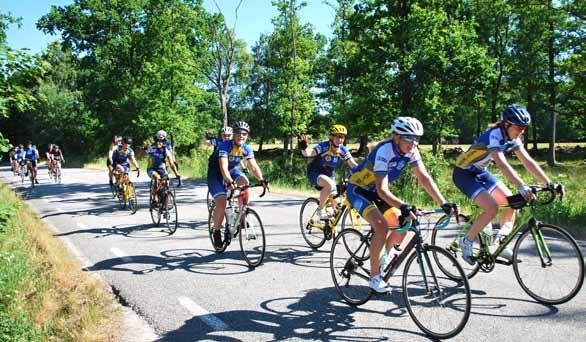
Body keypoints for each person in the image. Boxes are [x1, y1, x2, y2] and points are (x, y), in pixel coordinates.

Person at [346, 117, 455, 293]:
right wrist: (404, 205)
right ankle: (375, 278)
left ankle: (384, 257)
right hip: (359, 190)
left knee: (404, 222)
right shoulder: (385, 151)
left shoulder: (411, 151)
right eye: (410, 138)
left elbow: (424, 178)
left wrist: (443, 202)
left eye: (417, 139)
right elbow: (382, 189)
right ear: (396, 136)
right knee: (381, 225)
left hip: (377, 192)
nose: (414, 143)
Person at [454, 104, 561, 265]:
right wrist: (521, 185)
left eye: (524, 128)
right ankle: (466, 241)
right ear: (507, 124)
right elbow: (502, 164)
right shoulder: (494, 136)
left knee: (511, 204)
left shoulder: (513, 138)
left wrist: (549, 183)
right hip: (463, 173)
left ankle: (499, 244)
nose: (522, 131)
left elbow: (528, 161)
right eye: (519, 127)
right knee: (492, 208)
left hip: (480, 171)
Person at [207, 121, 269, 248]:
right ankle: (217, 231)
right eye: (239, 133)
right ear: (234, 135)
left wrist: (262, 180)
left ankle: (242, 214)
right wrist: (229, 182)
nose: (242, 136)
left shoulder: (246, 148)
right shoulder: (225, 145)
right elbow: (223, 167)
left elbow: (253, 166)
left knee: (245, 182)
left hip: (231, 170)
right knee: (222, 200)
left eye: (244, 134)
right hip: (216, 173)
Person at [299, 125, 358, 220]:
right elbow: (308, 153)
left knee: (338, 207)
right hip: (315, 173)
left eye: (343, 137)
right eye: (338, 136)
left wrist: (364, 171)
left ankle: (330, 228)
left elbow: (353, 165)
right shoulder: (324, 146)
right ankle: (320, 209)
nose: (341, 140)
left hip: (329, 176)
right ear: (331, 137)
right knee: (329, 184)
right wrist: (303, 147)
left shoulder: (343, 150)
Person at [147, 132, 181, 205]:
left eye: (161, 142)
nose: (159, 143)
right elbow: (139, 154)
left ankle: (165, 204)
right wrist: (144, 149)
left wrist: (177, 174)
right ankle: (154, 198)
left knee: (167, 183)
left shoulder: (165, 150)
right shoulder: (151, 148)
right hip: (151, 169)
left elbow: (171, 163)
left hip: (161, 169)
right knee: (157, 178)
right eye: (157, 142)